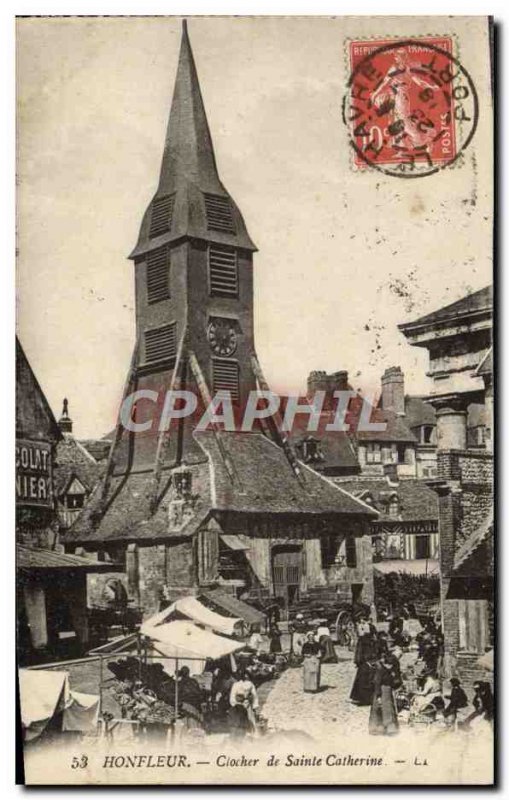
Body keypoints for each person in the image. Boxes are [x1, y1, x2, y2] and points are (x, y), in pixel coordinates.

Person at [369, 650, 402, 735]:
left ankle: (388, 727)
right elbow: (377, 684)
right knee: (380, 709)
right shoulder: (380, 671)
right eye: (389, 665)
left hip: (387, 691)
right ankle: (376, 728)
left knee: (388, 709)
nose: (390, 667)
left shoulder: (388, 670)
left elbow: (392, 680)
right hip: (381, 691)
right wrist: (379, 696)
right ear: (386, 663)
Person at [350, 621, 378, 705]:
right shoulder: (364, 640)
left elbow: (359, 652)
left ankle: (366, 698)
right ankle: (364, 699)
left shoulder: (369, 640)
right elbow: (359, 652)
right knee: (364, 680)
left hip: (369, 662)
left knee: (367, 680)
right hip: (366, 662)